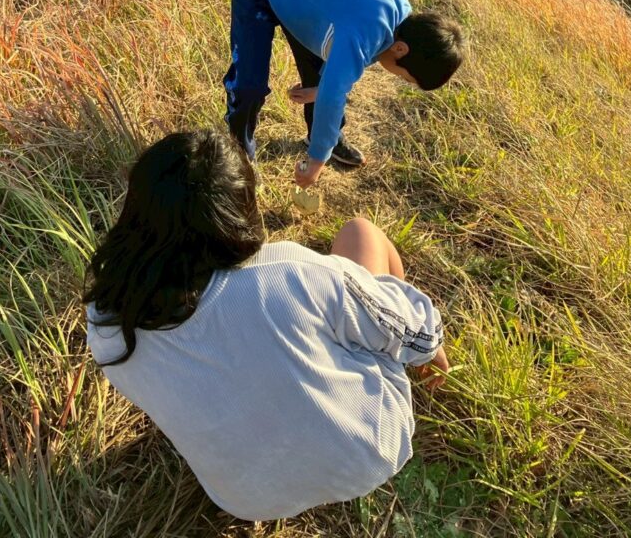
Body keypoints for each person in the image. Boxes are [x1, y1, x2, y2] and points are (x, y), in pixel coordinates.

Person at [85, 130, 449, 523]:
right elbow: (422, 329)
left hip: (246, 500)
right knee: (360, 234)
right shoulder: (286, 272)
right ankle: (429, 373)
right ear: (240, 208)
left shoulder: (105, 321)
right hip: (369, 452)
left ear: (137, 208)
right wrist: (428, 346)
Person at [223, 0, 464, 188]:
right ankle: (240, 152)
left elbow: (340, 75)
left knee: (321, 74)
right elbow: (335, 92)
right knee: (249, 85)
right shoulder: (367, 29)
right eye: (404, 76)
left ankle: (328, 137)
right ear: (401, 49)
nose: (398, 77)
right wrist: (316, 162)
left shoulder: (401, 21)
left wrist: (320, 91)